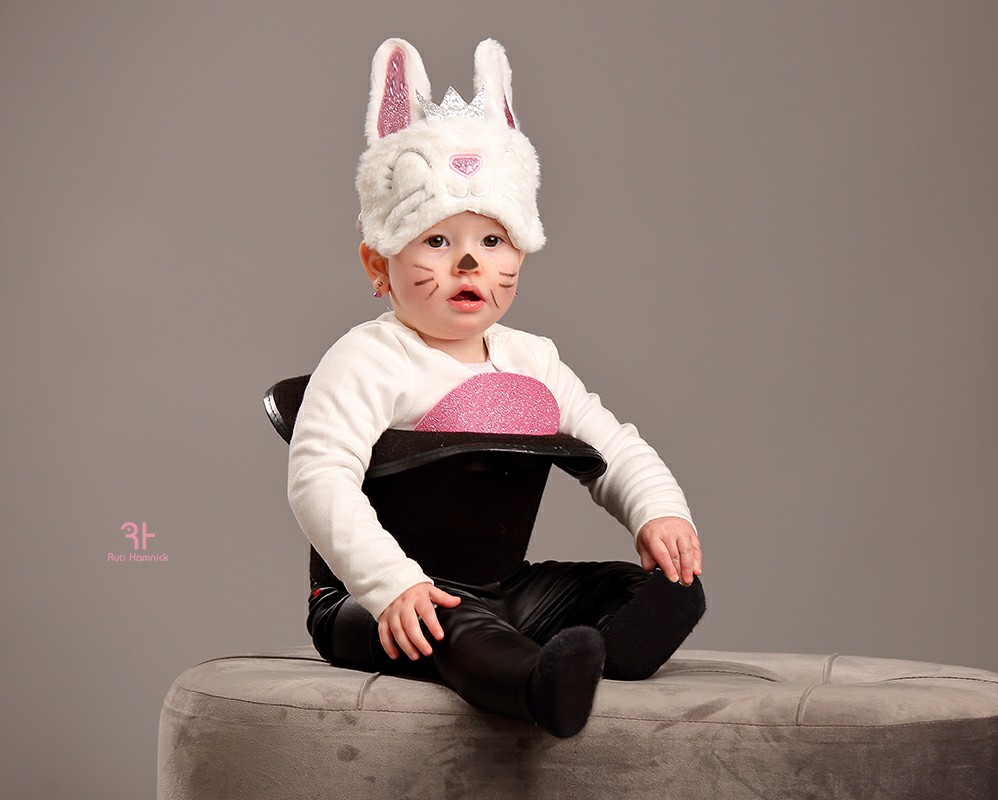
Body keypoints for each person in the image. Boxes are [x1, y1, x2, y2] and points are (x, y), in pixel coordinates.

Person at [287, 38, 704, 739]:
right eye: (437, 242)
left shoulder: (531, 359)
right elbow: (318, 481)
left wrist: (658, 513)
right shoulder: (368, 358)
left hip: (506, 589)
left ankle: (602, 658)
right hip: (381, 597)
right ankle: (536, 687)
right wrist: (391, 584)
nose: (468, 264)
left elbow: (611, 446)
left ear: (520, 251)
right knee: (446, 629)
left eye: (492, 242)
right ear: (378, 263)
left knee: (660, 589)